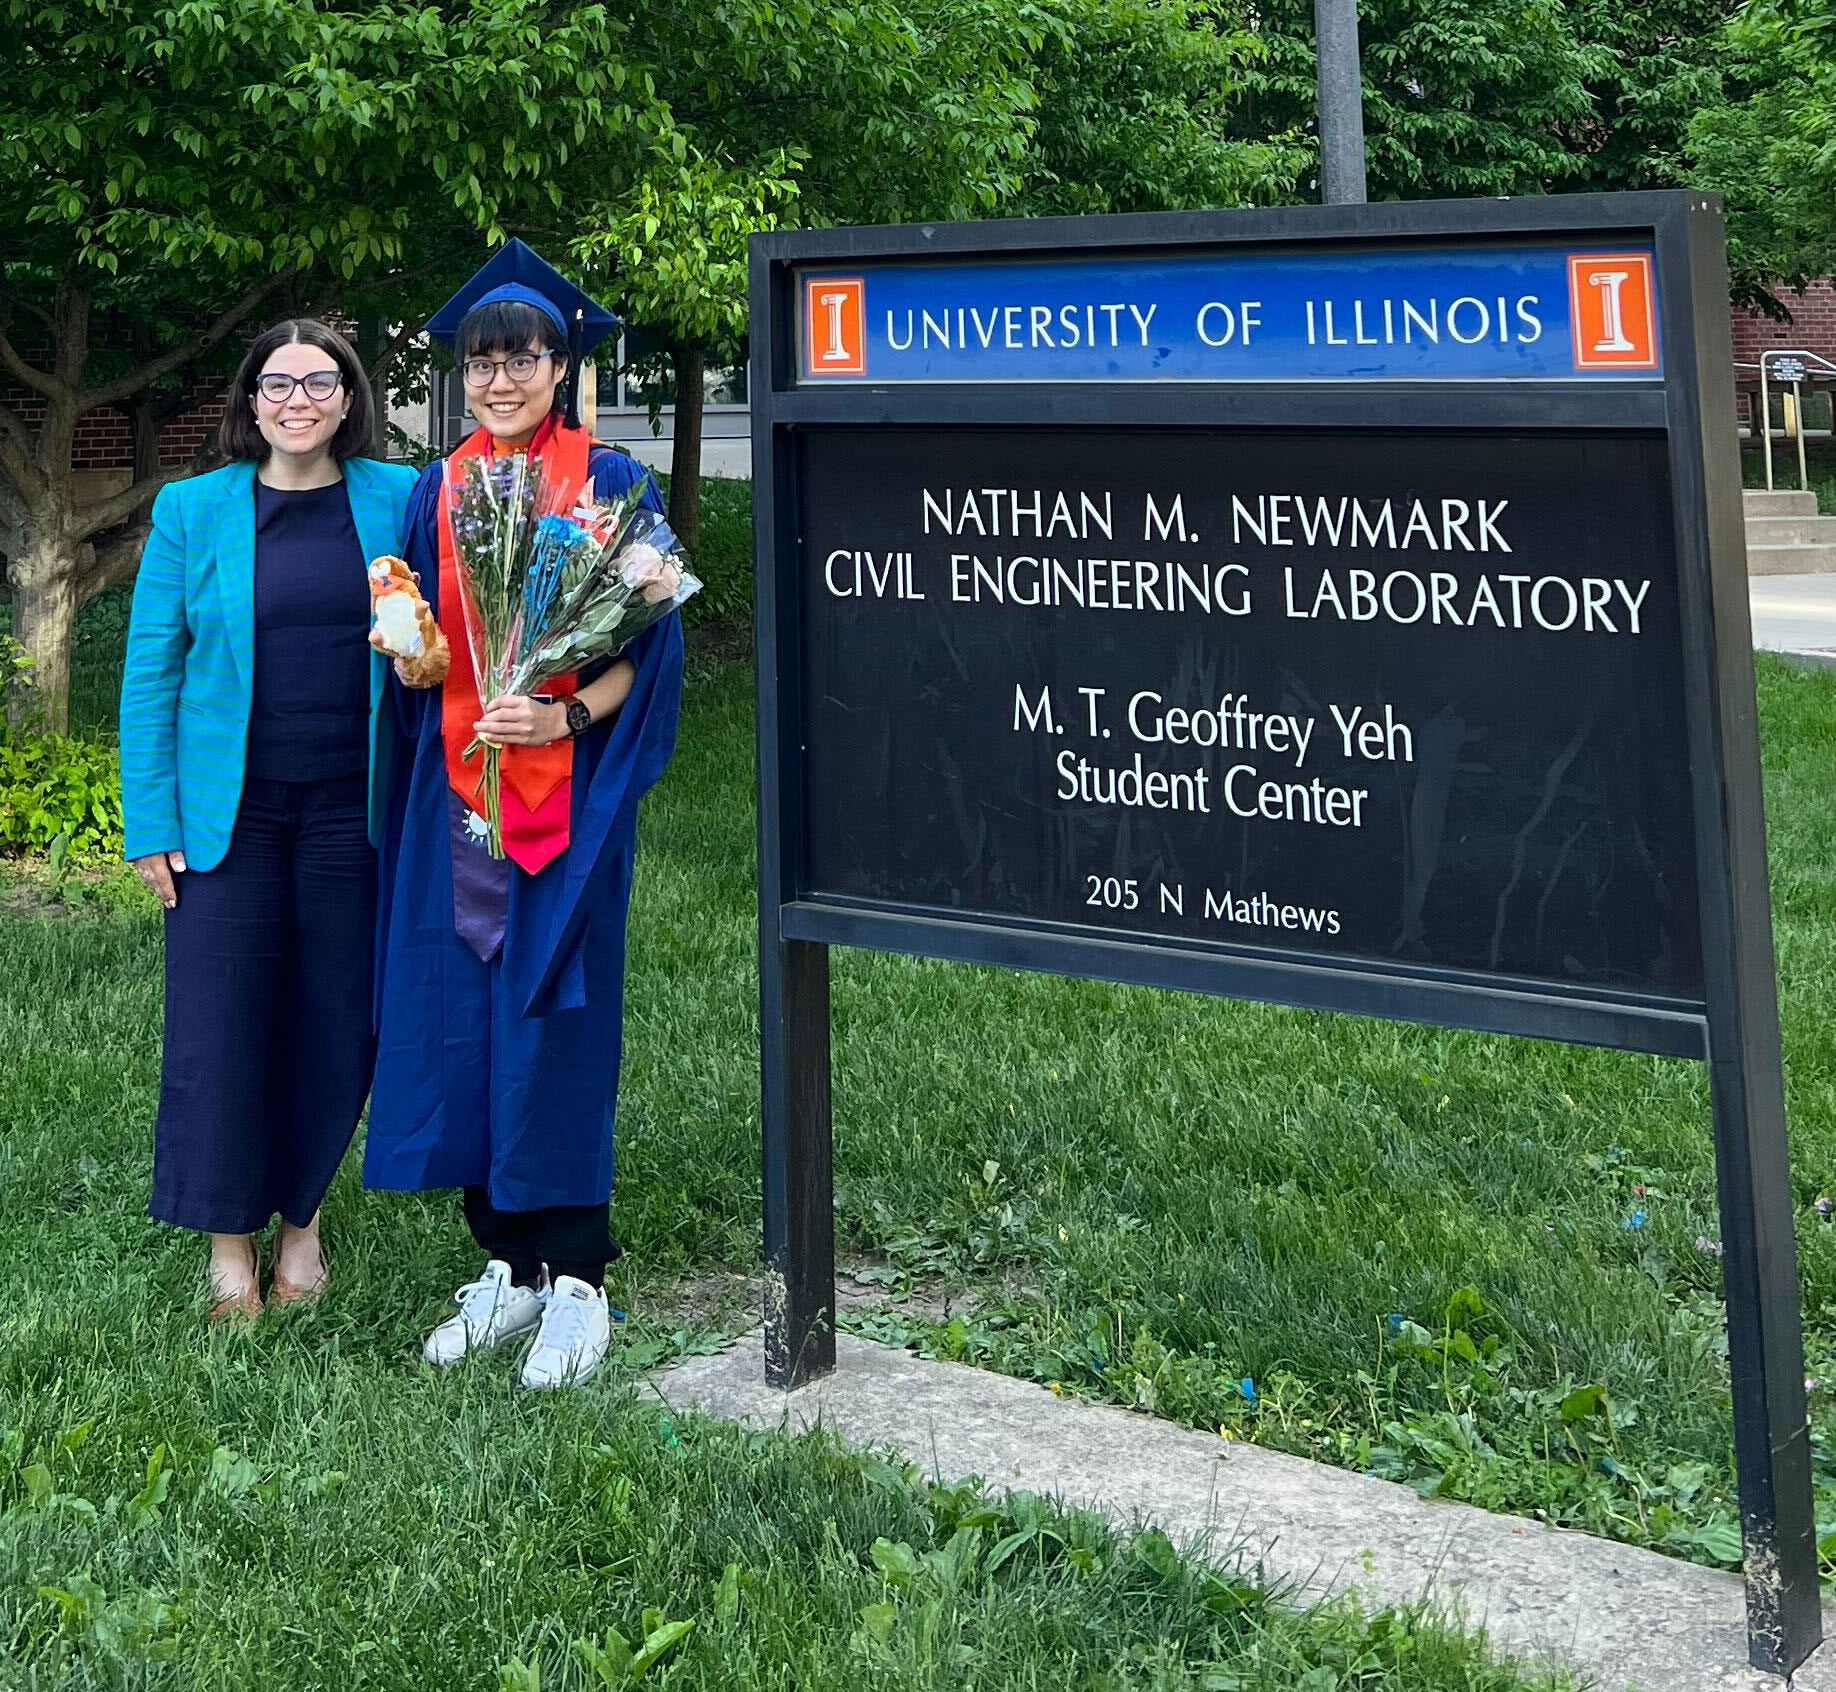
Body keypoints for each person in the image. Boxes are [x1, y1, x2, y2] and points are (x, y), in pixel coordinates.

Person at [363, 242, 685, 1388]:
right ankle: (508, 1266)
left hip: (563, 804)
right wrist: (413, 663)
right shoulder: (434, 487)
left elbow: (649, 656)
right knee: (460, 1017)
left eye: (524, 355)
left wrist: (565, 723)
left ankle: (580, 1278)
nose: (500, 376)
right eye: (481, 358)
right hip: (455, 796)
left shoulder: (610, 485)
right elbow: (427, 647)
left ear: (562, 365)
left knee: (556, 1015)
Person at [120, 320, 418, 1321]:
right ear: (249, 403)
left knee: (338, 1022)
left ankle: (303, 1230)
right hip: (225, 819)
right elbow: (150, 672)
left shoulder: (398, 498)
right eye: (278, 383)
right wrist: (150, 818)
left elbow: (442, 630)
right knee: (220, 1026)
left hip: (351, 811)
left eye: (320, 382)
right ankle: (228, 1249)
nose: (299, 399)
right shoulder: (193, 510)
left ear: (349, 398)